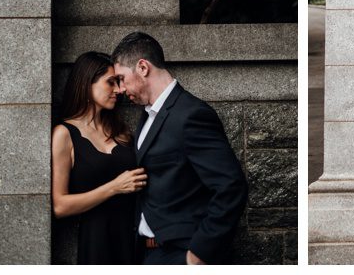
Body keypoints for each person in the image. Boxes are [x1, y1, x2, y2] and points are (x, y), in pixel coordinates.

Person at [111, 31, 247, 265]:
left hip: (181, 253)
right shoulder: (146, 116)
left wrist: (198, 255)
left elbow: (231, 186)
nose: (121, 89)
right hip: (147, 253)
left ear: (143, 67)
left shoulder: (191, 115)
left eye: (122, 78)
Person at [51, 51, 145, 265]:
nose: (119, 90)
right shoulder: (64, 135)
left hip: (134, 239)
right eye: (110, 83)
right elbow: (60, 205)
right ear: (87, 84)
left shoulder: (121, 132)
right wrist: (114, 187)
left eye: (119, 82)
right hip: (97, 244)